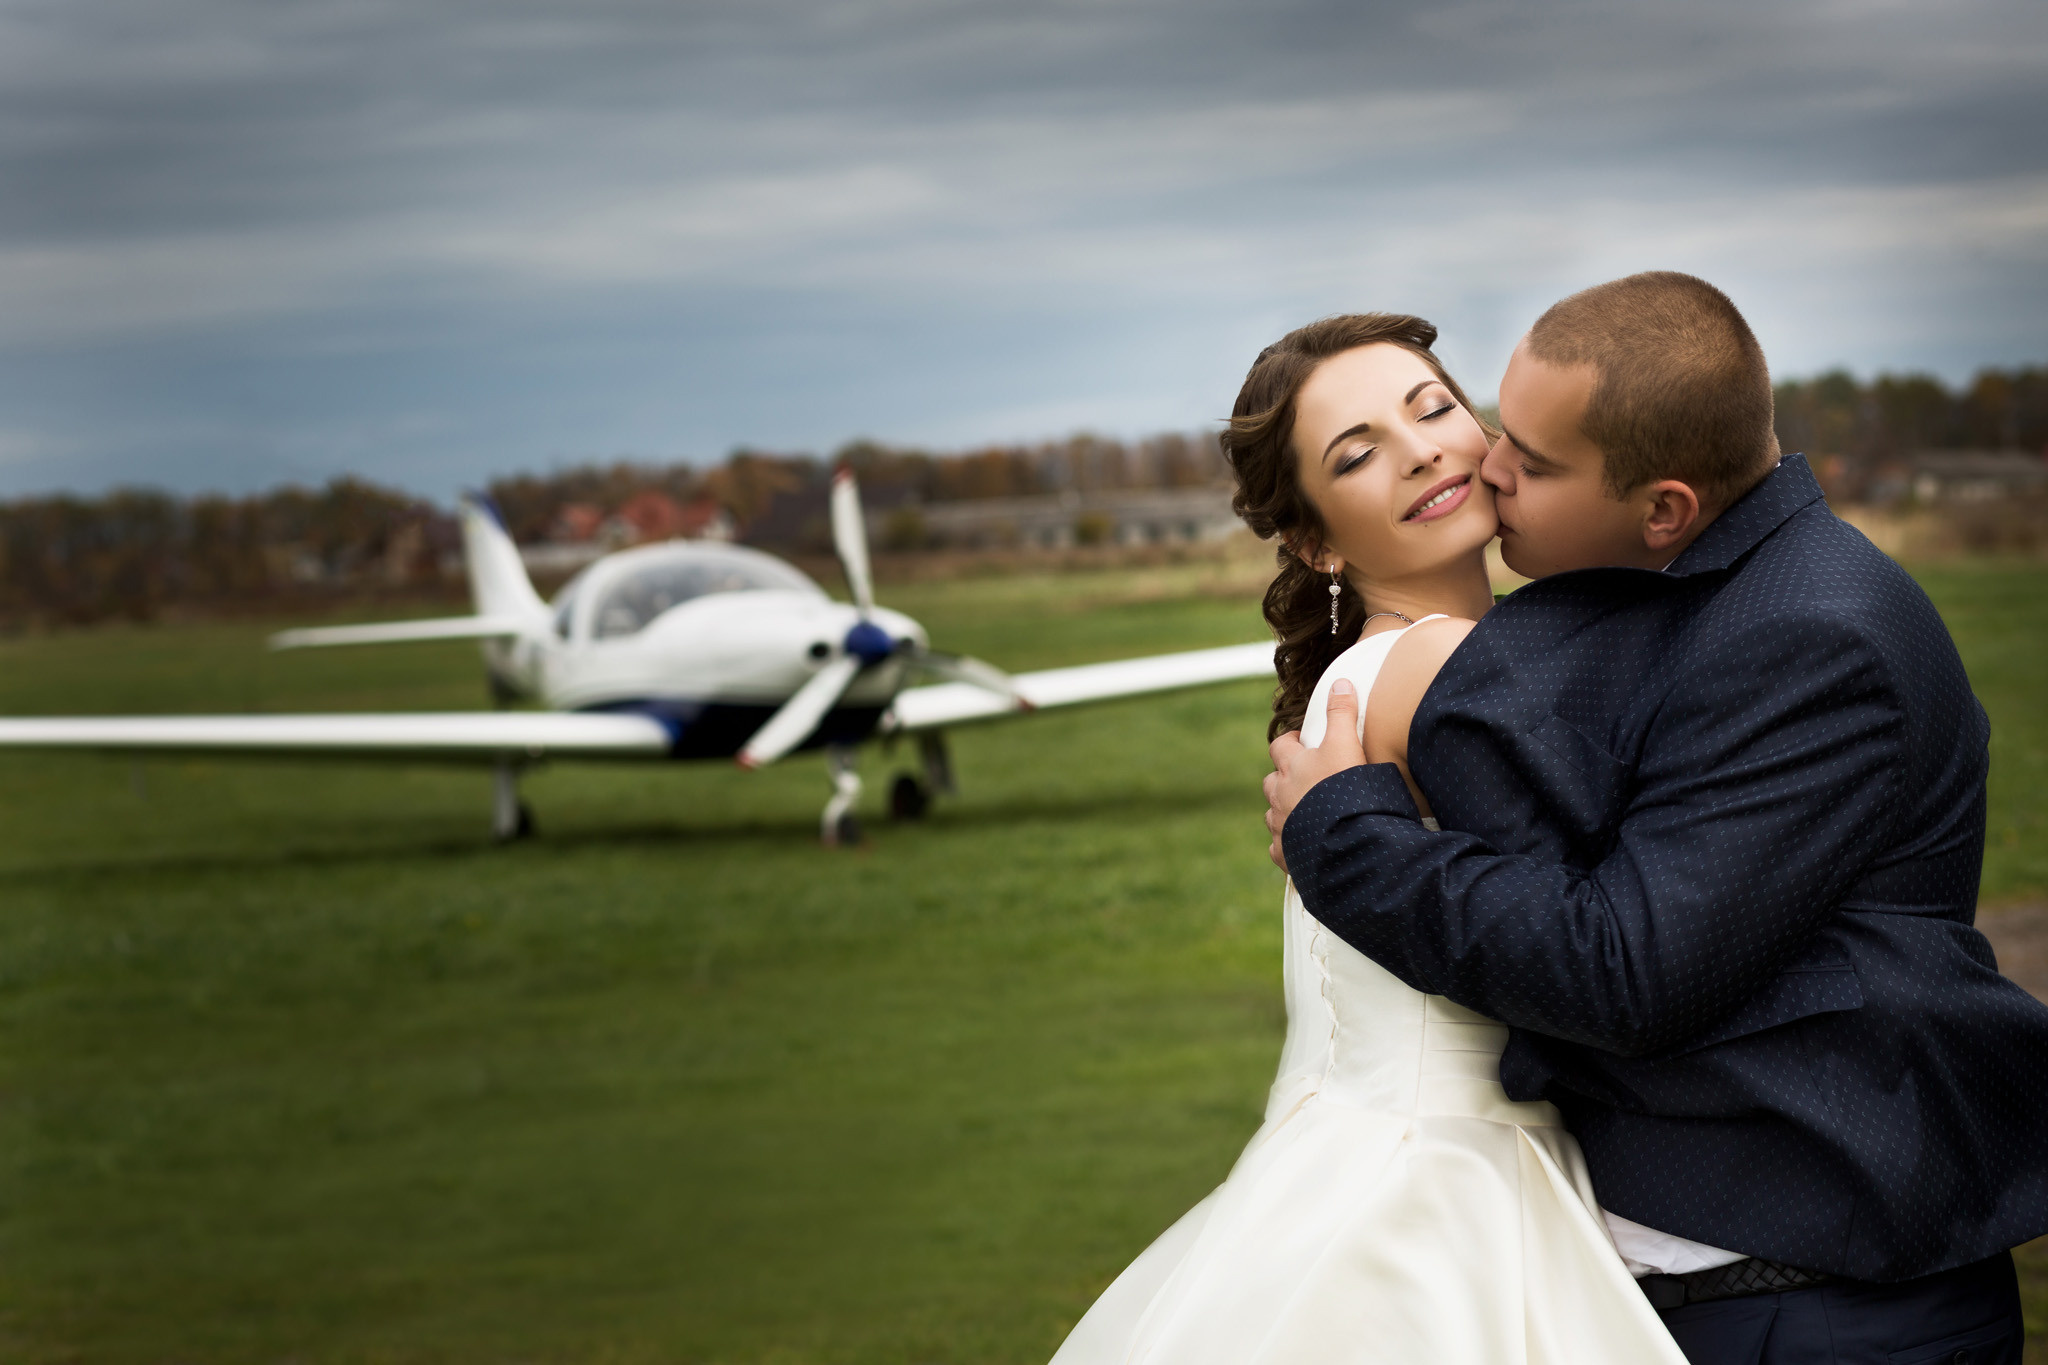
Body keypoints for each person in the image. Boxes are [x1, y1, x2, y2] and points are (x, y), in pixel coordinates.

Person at [1264, 272, 2048, 1364]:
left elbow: (1621, 961)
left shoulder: (1805, 633)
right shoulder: (1663, 605)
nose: (1474, 460)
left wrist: (1347, 835)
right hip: (1660, 1277)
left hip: (1815, 1303)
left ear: (1663, 506)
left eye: (1523, 458)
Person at [1049, 313, 1688, 1364]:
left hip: (1340, 1147)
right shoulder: (1437, 665)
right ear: (1317, 542)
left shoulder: (1364, 673)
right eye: (1356, 454)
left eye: (1432, 408)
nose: (1419, 449)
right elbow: (1611, 923)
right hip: (1442, 1180)